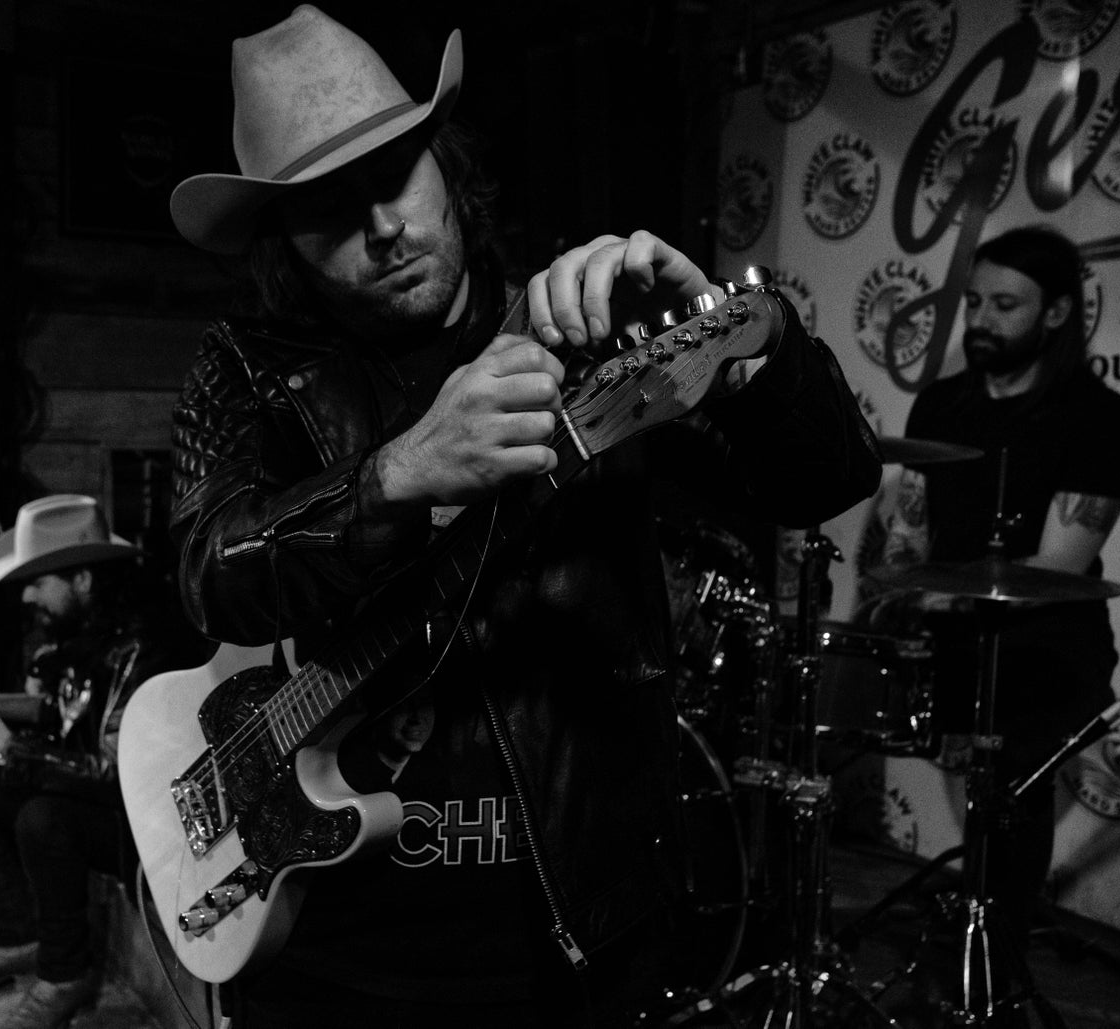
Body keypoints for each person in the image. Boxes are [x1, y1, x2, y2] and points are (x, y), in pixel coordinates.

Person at [164, 6, 881, 1026]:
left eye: (394, 176)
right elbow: (206, 571)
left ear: (444, 164)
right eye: (328, 211)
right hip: (337, 941)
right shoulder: (246, 368)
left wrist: (742, 357)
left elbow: (827, 479)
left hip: (578, 928)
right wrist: (395, 475)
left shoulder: (583, 324)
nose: (381, 229)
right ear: (281, 239)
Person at [874, 225, 1120, 946]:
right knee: (969, 806)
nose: (981, 321)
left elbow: (1056, 567)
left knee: (1014, 807)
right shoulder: (941, 405)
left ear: (1055, 314)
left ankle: (999, 965)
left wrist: (948, 594)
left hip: (1047, 653)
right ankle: (970, 936)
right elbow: (912, 529)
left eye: (1005, 305)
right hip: (954, 638)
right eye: (974, 302)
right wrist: (902, 573)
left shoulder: (1100, 417)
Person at [0, 494, 193, 1029]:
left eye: (40, 580)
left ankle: (65, 974)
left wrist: (8, 748)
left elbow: (113, 773)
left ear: (83, 581)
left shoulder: (143, 647)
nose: (28, 593)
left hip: (137, 819)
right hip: (79, 783)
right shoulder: (84, 637)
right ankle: (16, 931)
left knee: (44, 816)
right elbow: (63, 716)